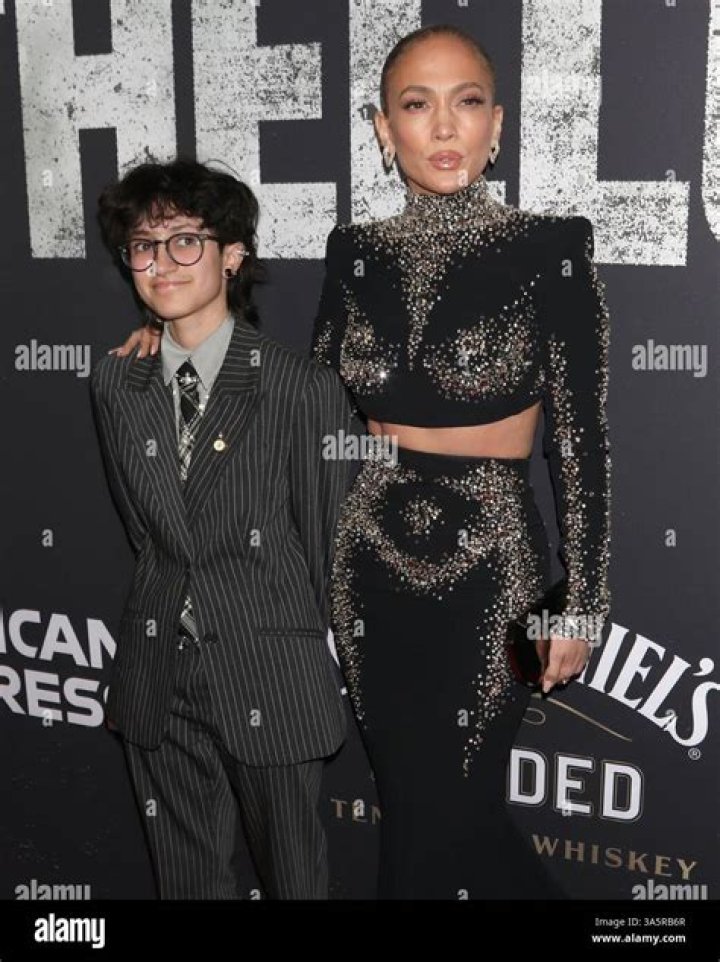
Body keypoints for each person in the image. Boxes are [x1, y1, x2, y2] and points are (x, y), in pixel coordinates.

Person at [112, 25, 611, 900]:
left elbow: (582, 443)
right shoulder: (357, 251)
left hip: (491, 572)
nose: (444, 127)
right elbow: (305, 397)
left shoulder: (553, 248)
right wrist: (178, 334)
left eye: (467, 103)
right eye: (417, 106)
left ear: (497, 124)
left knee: (449, 813)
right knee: (420, 811)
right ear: (384, 129)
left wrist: (583, 601)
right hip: (366, 567)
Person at [91, 159, 353, 899]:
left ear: (233, 254)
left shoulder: (300, 387)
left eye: (185, 241)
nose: (161, 263)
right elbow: (146, 533)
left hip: (271, 672)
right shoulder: (116, 381)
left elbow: (331, 551)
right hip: (158, 678)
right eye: (143, 246)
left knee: (296, 883)